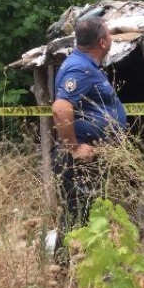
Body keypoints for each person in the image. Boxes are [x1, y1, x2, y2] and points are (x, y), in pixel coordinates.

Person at [52, 16, 127, 237]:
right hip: (82, 158)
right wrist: (74, 147)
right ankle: (65, 269)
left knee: (89, 216)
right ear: (102, 42)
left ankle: (84, 267)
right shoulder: (80, 68)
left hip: (92, 155)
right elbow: (60, 108)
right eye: (109, 34)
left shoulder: (85, 65)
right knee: (78, 217)